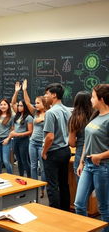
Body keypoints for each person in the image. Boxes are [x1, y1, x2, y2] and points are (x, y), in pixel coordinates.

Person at [74, 84, 109, 231]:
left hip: (103, 166)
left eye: (93, 97)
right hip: (88, 165)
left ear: (101, 99)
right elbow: (87, 142)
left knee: (104, 208)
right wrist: (81, 162)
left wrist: (100, 156)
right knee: (79, 204)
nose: (91, 99)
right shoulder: (95, 115)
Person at [42, 83, 71, 211]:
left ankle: (54, 213)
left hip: (53, 152)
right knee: (64, 183)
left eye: (47, 94)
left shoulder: (50, 112)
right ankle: (65, 211)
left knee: (52, 185)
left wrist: (44, 152)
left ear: (54, 95)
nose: (45, 96)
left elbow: (50, 137)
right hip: (65, 150)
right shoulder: (68, 110)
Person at [22, 79, 51, 197]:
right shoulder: (35, 113)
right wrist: (24, 90)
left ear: (44, 104)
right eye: (35, 103)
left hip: (42, 144)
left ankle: (42, 188)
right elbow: (27, 102)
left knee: (43, 168)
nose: (35, 105)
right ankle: (35, 188)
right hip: (33, 142)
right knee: (33, 165)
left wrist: (43, 119)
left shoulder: (49, 113)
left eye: (38, 103)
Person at [68, 91, 93, 181]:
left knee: (82, 187)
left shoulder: (75, 118)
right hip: (95, 152)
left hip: (80, 153)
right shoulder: (95, 116)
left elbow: (72, 143)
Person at [11, 81, 33, 177]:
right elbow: (12, 103)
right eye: (18, 105)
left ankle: (29, 177)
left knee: (25, 161)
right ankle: (20, 176)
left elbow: (30, 132)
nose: (19, 107)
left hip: (24, 140)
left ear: (25, 106)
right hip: (16, 140)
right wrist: (16, 92)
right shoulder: (18, 115)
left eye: (21, 105)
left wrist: (17, 134)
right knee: (19, 160)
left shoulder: (29, 117)